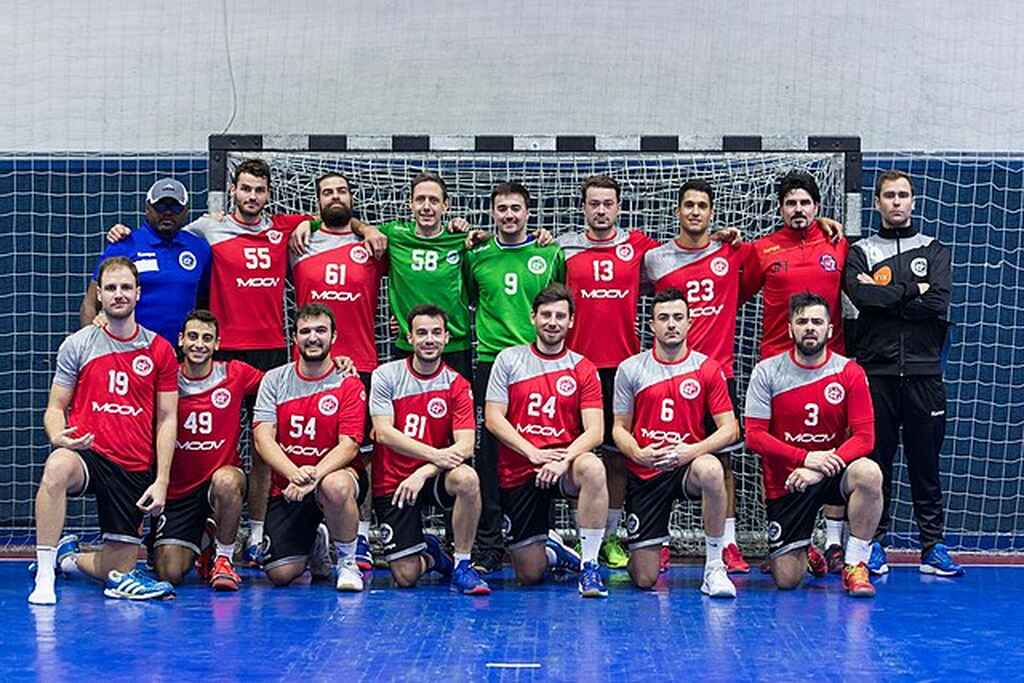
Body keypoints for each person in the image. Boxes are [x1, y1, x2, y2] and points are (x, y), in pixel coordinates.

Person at [105, 159, 311, 568]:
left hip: (270, 349)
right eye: (246, 189)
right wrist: (120, 232)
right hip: (223, 348)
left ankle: (254, 533)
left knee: (263, 444)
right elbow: (159, 233)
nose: (253, 196)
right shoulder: (203, 230)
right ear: (232, 190)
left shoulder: (285, 229)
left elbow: (321, 220)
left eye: (260, 190)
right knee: (172, 435)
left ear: (269, 194)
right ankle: (173, 523)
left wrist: (351, 226)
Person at [29, 257, 178, 604]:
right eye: (111, 288)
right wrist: (57, 435)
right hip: (88, 451)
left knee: (118, 569)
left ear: (138, 293)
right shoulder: (78, 344)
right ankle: (46, 575)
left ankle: (68, 559)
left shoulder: (160, 350)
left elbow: (168, 418)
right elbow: (55, 407)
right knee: (57, 465)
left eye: (126, 287)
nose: (119, 294)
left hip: (132, 464)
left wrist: (162, 480)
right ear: (100, 294)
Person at [844, 170, 962, 577]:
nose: (896, 202)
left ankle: (933, 547)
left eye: (903, 195)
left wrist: (890, 295)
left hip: (925, 375)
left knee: (926, 464)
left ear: (913, 201)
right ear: (876, 202)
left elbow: (939, 302)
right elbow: (862, 297)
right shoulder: (860, 250)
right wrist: (916, 288)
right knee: (877, 465)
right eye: (889, 196)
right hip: (875, 375)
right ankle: (875, 543)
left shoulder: (934, 249)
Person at [643, 179, 760, 574]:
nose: (695, 212)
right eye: (689, 205)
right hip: (663, 375)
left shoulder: (732, 252)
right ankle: (655, 539)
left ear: (712, 213)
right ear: (678, 211)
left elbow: (772, 261)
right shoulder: (655, 259)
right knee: (656, 457)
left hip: (716, 374)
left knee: (720, 462)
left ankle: (727, 544)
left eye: (703, 206)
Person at [743, 170, 850, 572]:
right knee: (778, 454)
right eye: (791, 203)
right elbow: (735, 293)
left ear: (817, 207)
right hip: (777, 365)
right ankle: (788, 541)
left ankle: (835, 544)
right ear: (781, 208)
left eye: (805, 203)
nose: (799, 210)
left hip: (829, 366)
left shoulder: (836, 244)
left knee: (831, 449)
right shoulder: (763, 249)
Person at [744, 292, 882, 596]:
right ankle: (805, 551)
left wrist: (820, 468)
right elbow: (754, 435)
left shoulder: (850, 372)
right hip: (788, 481)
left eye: (817, 322)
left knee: (869, 473)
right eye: (802, 321)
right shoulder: (767, 371)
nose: (810, 327)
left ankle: (855, 565)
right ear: (790, 328)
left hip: (830, 472)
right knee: (787, 581)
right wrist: (805, 458)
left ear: (830, 330)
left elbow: (865, 437)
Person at [558, 175, 660, 570]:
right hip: (574, 367)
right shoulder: (562, 249)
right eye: (594, 204)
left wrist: (722, 236)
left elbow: (683, 252)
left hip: (623, 367)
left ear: (619, 207)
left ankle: (611, 538)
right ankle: (575, 536)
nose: (601, 210)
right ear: (583, 207)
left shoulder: (638, 247)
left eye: (608, 204)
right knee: (573, 453)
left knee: (617, 458)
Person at [466, 181, 566, 575]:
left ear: (528, 213)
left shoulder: (549, 252)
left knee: (546, 445)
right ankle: (490, 541)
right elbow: (471, 299)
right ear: (493, 214)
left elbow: (558, 305)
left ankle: (548, 535)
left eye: (516, 208)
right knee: (490, 453)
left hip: (540, 362)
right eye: (502, 208)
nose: (509, 215)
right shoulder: (476, 256)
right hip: (492, 361)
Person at [611, 288, 738, 597]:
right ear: (651, 325)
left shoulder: (707, 368)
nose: (671, 324)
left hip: (686, 467)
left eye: (678, 318)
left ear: (689, 323)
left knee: (710, 468)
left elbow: (730, 429)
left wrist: (691, 452)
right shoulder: (631, 369)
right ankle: (644, 549)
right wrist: (638, 454)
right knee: (644, 579)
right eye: (663, 318)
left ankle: (714, 568)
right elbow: (618, 429)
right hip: (647, 472)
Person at [484, 284, 608, 597]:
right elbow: (494, 418)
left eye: (560, 316)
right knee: (530, 575)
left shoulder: (583, 367)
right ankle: (553, 551)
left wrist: (564, 459)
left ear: (571, 322)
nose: (552, 322)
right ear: (533, 317)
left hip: (564, 465)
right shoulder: (509, 360)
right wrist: (532, 452)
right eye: (546, 315)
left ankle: (590, 566)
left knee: (593, 467)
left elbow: (595, 430)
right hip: (520, 466)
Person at [290, 172, 384, 570]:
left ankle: (360, 536)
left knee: (361, 455)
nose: (335, 197)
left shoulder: (376, 244)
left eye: (341, 191)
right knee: (309, 448)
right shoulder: (298, 242)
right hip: (309, 368)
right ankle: (310, 532)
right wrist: (302, 222)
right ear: (317, 202)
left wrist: (366, 226)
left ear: (351, 197)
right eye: (327, 192)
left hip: (361, 363)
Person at [369, 304, 490, 594]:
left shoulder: (457, 384)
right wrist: (434, 454)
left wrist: (425, 470)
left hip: (433, 476)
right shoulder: (386, 375)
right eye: (421, 333)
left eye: (436, 333)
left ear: (447, 338)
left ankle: (462, 564)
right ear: (409, 338)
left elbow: (465, 444)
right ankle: (433, 555)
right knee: (406, 577)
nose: (429, 339)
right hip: (394, 481)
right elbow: (384, 432)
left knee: (467, 479)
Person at [252, 304, 368, 591]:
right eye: (305, 331)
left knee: (336, 486)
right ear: (294, 337)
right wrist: (294, 474)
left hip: (334, 476)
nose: (312, 338)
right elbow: (262, 439)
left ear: (334, 336)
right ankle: (316, 541)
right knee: (280, 574)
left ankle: (347, 562)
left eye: (320, 330)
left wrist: (313, 476)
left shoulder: (348, 383)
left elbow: (350, 446)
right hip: (291, 483)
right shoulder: (275, 379)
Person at [150, 310, 261, 591]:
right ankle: (205, 540)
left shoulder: (234, 372)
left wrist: (335, 366)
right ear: (181, 340)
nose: (199, 344)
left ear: (217, 344)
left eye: (207, 338)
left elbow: (281, 382)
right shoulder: (164, 378)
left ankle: (223, 559)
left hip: (218, 486)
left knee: (227, 481)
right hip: (178, 493)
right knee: (169, 573)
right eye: (193, 337)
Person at [81, 178, 211, 347]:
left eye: (175, 207)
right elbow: (90, 303)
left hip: (183, 355)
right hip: (130, 351)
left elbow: (204, 303)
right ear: (147, 209)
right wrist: (89, 350)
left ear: (186, 211)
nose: (168, 213)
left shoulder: (199, 248)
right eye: (160, 206)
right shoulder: (124, 245)